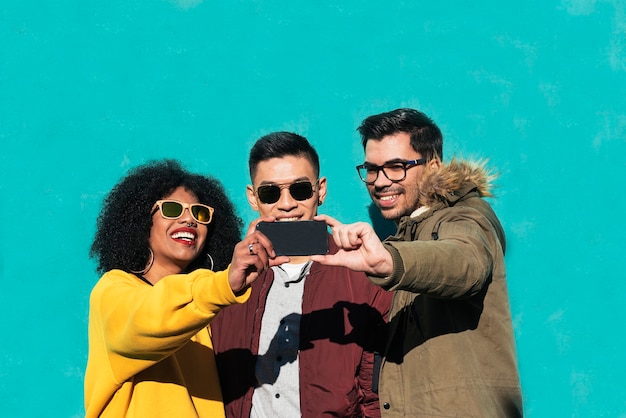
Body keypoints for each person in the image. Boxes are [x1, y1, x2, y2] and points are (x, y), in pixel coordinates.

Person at [311, 108, 523, 417]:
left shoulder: (465, 216)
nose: (380, 182)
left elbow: (465, 262)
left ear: (433, 165)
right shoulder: (408, 232)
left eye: (396, 167)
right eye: (371, 169)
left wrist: (389, 262)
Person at [84, 159, 288, 418]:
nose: (189, 220)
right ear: (140, 220)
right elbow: (150, 320)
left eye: (200, 213)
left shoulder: (205, 312)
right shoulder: (113, 290)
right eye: (172, 209)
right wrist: (224, 283)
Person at [211, 132, 393, 418]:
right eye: (270, 192)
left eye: (300, 189)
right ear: (252, 197)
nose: (286, 204)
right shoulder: (226, 282)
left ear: (320, 190)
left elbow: (376, 396)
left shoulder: (361, 276)